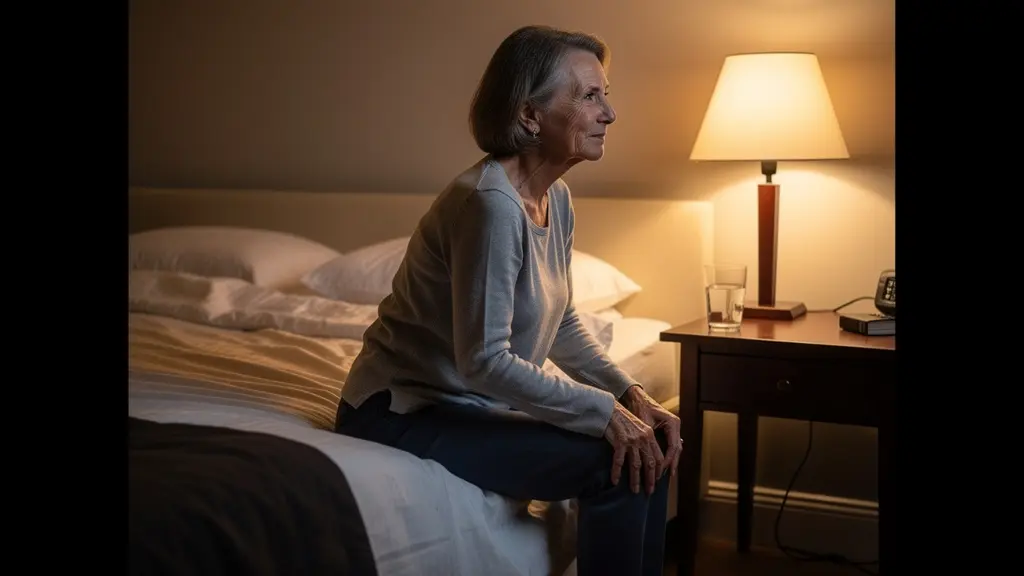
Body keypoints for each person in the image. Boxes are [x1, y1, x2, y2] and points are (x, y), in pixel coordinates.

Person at [334, 24, 682, 576]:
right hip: (399, 412)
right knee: (615, 462)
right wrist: (602, 415)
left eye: (606, 94)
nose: (610, 113)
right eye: (589, 96)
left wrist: (630, 396)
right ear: (529, 115)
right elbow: (485, 360)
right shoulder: (489, 204)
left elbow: (561, 323)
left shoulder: (555, 197)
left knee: (647, 446)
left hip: (465, 405)